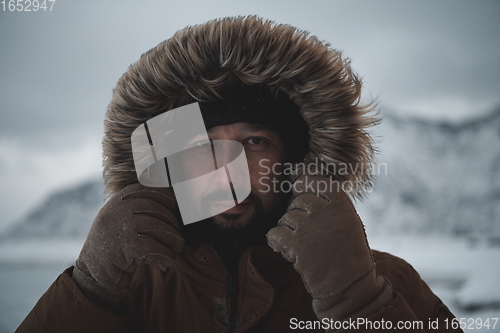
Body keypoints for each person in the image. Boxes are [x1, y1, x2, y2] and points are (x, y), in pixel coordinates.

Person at [17, 16, 461, 333]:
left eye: (254, 143)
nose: (226, 173)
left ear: (295, 160)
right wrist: (89, 290)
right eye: (201, 147)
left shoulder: (381, 282)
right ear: (169, 168)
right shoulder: (128, 289)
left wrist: (357, 302)